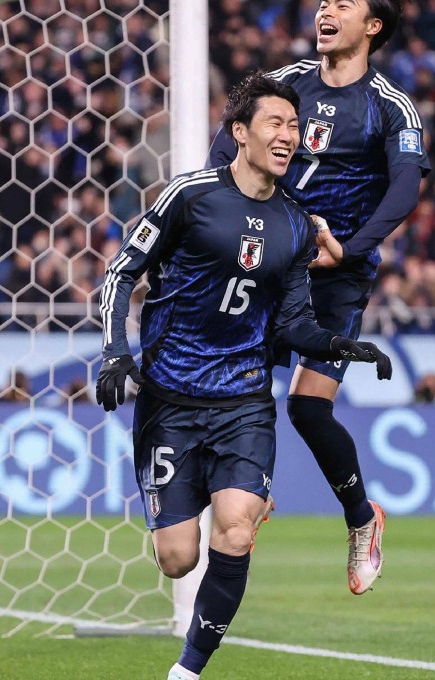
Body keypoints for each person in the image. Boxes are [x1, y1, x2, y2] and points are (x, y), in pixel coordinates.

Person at [96, 72, 392, 680]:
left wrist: (343, 346)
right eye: (275, 124)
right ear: (240, 134)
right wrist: (115, 354)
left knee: (232, 531)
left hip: (243, 403)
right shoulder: (190, 196)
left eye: (294, 126)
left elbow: (293, 325)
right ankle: (238, 493)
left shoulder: (295, 225)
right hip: (169, 401)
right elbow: (121, 272)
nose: (289, 136)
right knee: (177, 558)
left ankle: (187, 672)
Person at [209, 0, 429, 595]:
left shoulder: (389, 105)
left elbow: (406, 187)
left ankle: (363, 519)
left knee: (308, 407)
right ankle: (249, 495)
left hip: (337, 275)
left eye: (343, 3)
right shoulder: (285, 85)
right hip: (272, 259)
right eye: (323, 2)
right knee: (242, 384)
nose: (325, 10)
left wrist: (352, 249)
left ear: (373, 25)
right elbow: (223, 152)